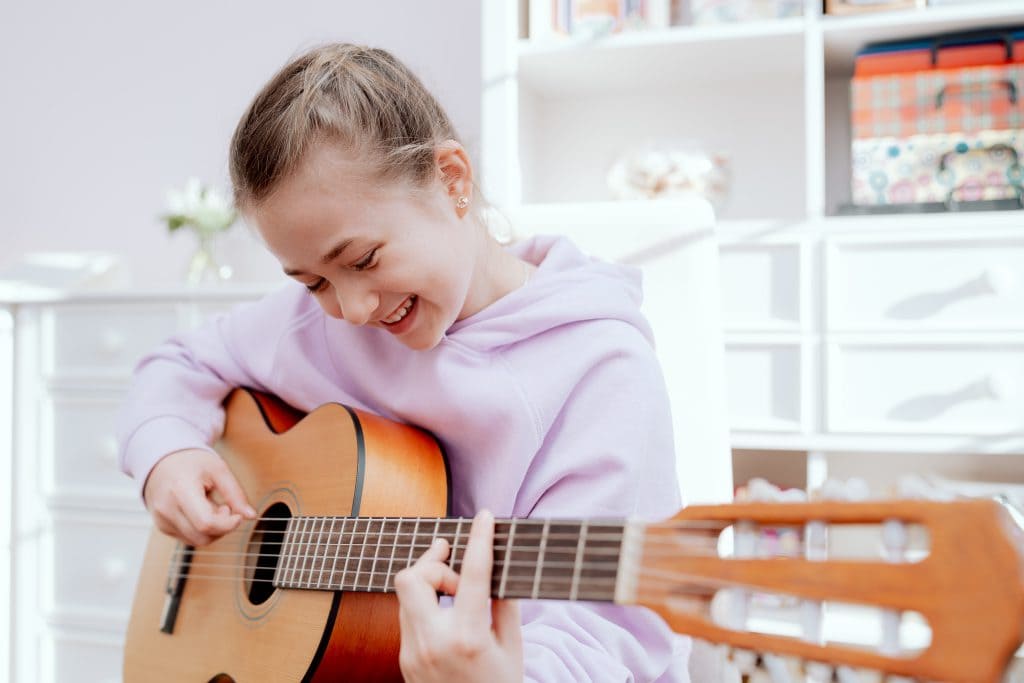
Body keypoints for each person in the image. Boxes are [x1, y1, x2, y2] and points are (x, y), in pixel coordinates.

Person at [117, 43, 691, 682]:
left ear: (452, 180)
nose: (353, 308)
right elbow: (179, 361)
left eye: (363, 261)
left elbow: (609, 634)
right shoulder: (316, 324)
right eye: (313, 282)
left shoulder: (599, 370)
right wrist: (166, 452)